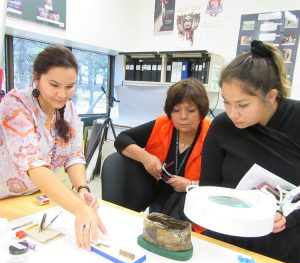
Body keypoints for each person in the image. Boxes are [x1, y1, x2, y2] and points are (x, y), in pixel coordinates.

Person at [199, 40, 300, 263]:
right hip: (232, 229)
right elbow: (208, 188)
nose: (233, 113)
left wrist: (288, 218)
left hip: (288, 236)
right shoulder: (222, 126)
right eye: (226, 103)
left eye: (242, 105)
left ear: (271, 96)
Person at [0, 45, 106, 250]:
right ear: (36, 78)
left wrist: (82, 189)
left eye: (69, 87)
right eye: (54, 85)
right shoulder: (15, 105)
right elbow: (34, 164)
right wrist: (78, 208)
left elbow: (74, 156)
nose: (62, 94)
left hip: (33, 199)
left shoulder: (69, 110)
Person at [114, 78, 211, 231]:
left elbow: (224, 184)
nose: (183, 116)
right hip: (159, 203)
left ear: (201, 112)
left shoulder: (212, 134)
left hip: (195, 210)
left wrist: (191, 185)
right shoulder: (163, 124)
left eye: (191, 110)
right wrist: (146, 157)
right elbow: (122, 139)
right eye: (176, 110)